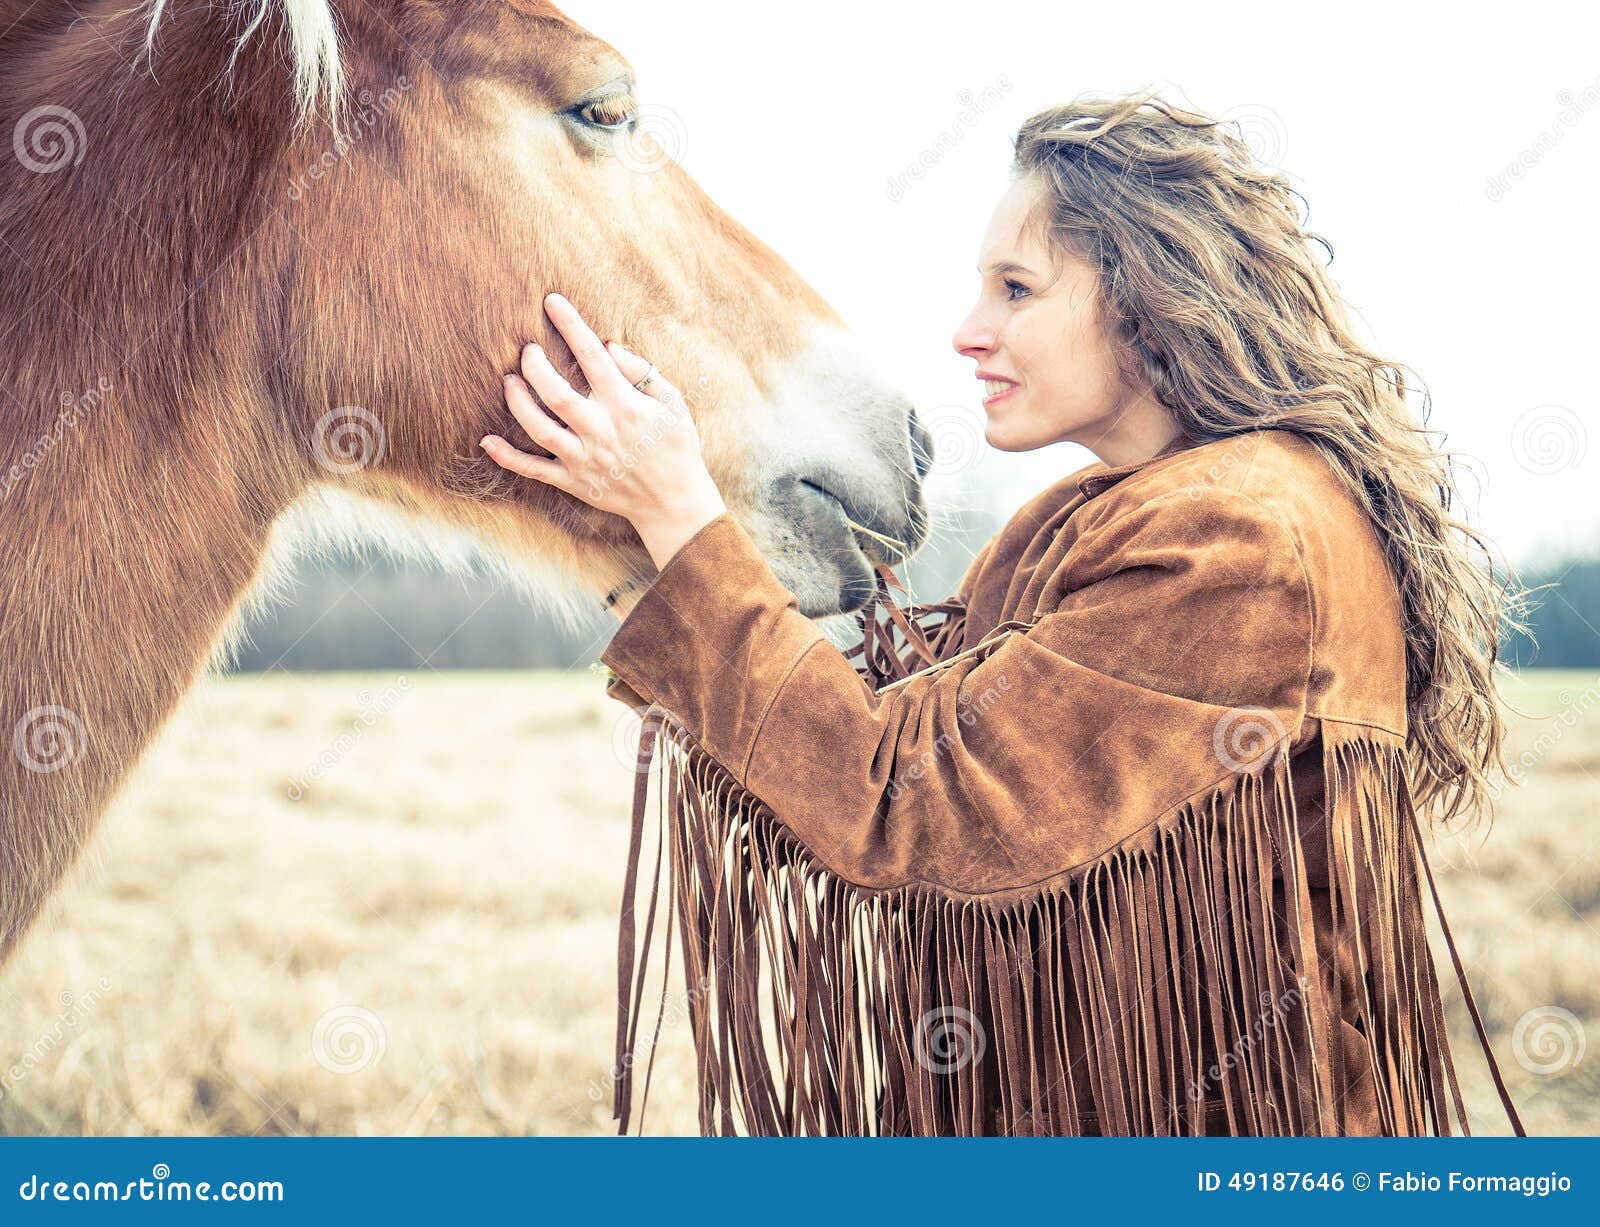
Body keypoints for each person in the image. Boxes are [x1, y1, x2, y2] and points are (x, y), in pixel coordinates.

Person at [477, 91, 1528, 1137]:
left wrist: (682, 517)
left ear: (1152, 294)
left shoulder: (1234, 538)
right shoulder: (1087, 517)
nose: (968, 332)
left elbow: (897, 798)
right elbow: (874, 705)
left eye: (1015, 289)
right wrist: (645, 526)